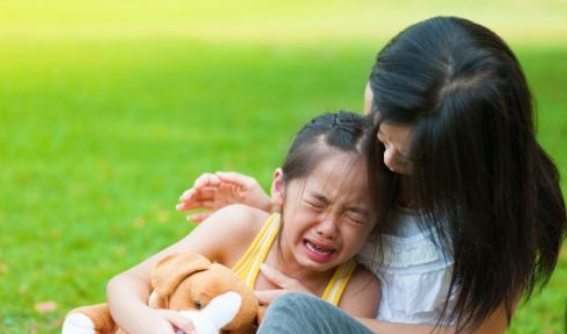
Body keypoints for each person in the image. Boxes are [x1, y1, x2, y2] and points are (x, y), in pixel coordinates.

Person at [176, 16, 567, 334]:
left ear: (467, 159)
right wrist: (270, 210)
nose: (389, 161)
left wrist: (323, 315)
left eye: (412, 157)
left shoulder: (511, 213)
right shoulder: (372, 165)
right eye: (381, 135)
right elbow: (339, 229)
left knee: (292, 317)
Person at [106, 111, 381, 334]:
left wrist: (308, 310)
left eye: (354, 215)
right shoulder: (241, 228)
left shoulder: (358, 288)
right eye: (316, 204)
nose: (329, 228)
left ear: (377, 221)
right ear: (279, 187)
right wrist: (150, 325)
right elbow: (127, 282)